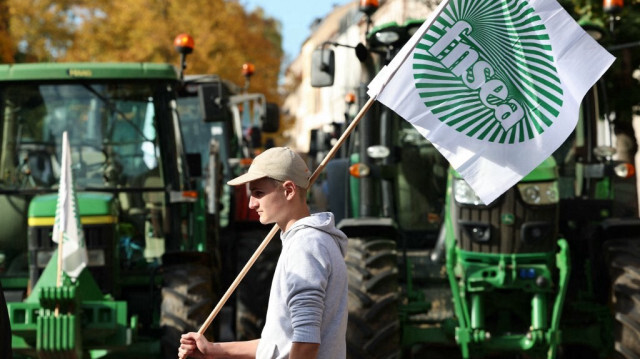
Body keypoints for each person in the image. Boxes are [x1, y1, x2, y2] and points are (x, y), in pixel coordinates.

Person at [178, 147, 348, 359]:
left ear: (288, 190)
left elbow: (306, 342)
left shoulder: (306, 246)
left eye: (258, 193)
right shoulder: (309, 242)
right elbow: (279, 344)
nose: (251, 203)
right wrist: (213, 350)